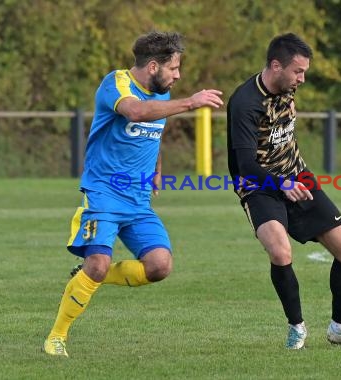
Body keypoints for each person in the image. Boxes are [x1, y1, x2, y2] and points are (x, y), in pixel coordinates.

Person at [42, 30, 223, 357]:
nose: (178, 76)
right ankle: (57, 336)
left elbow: (151, 133)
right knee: (96, 263)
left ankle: (92, 276)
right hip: (103, 194)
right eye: (174, 68)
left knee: (159, 266)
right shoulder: (116, 83)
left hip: (138, 200)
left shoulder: (162, 92)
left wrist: (156, 169)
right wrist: (191, 102)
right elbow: (136, 113)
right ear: (153, 66)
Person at [226, 32, 341, 349]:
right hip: (259, 186)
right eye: (298, 71)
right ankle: (297, 327)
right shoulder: (244, 103)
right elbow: (244, 165)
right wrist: (281, 184)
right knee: (280, 252)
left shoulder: (287, 87)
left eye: (304, 71)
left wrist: (293, 178)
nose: (302, 79)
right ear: (276, 66)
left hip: (298, 177)